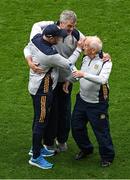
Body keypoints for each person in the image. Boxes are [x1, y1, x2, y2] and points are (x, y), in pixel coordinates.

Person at [23, 24, 82, 169]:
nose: (61, 38)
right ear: (49, 38)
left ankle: (35, 148)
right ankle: (36, 157)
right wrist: (79, 49)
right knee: (41, 121)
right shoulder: (50, 55)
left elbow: (26, 48)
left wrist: (29, 61)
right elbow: (68, 63)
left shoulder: (36, 39)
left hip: (37, 87)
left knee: (40, 118)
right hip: (42, 91)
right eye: (58, 37)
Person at [71, 36, 115, 167]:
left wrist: (83, 74)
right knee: (76, 127)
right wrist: (70, 80)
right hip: (82, 100)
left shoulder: (106, 62)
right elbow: (79, 75)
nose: (83, 47)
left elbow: (102, 80)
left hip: (97, 104)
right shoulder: (85, 58)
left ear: (93, 50)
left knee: (101, 131)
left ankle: (107, 157)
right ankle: (86, 149)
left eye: (85, 46)